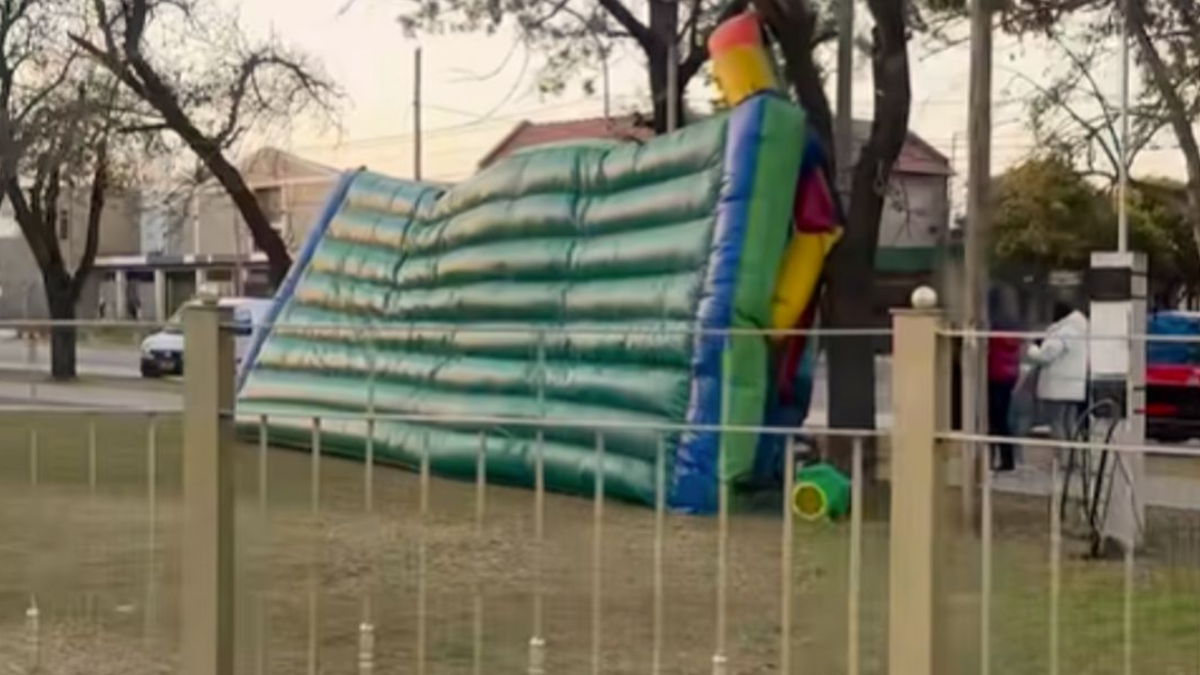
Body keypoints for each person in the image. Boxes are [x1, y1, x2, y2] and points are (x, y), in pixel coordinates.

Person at [1027, 302, 1090, 441]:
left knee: (1056, 423)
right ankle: (1074, 452)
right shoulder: (1080, 330)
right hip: (1073, 387)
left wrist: (1031, 349)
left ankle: (1063, 453)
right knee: (1070, 423)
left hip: (1058, 387)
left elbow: (1046, 355)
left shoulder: (1064, 331)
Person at [987, 290, 1021, 471]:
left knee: (995, 419)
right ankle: (1007, 458)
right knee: (1002, 419)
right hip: (1008, 376)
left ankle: (997, 459)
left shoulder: (993, 328)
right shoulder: (1010, 326)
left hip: (994, 376)